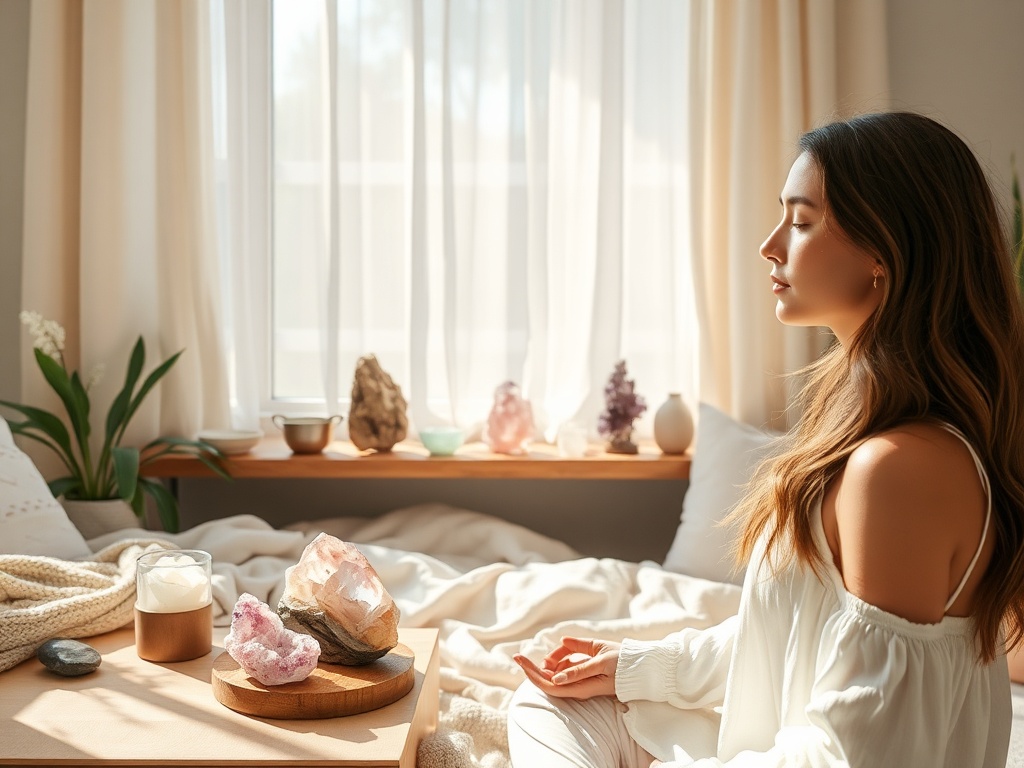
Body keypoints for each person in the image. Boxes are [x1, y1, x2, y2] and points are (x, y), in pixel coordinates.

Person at [506, 111, 1024, 767]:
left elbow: (851, 755)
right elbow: (791, 640)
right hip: (777, 743)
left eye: (802, 221)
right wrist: (632, 668)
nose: (771, 245)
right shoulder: (874, 430)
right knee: (549, 699)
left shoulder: (901, 468)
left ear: (882, 255)